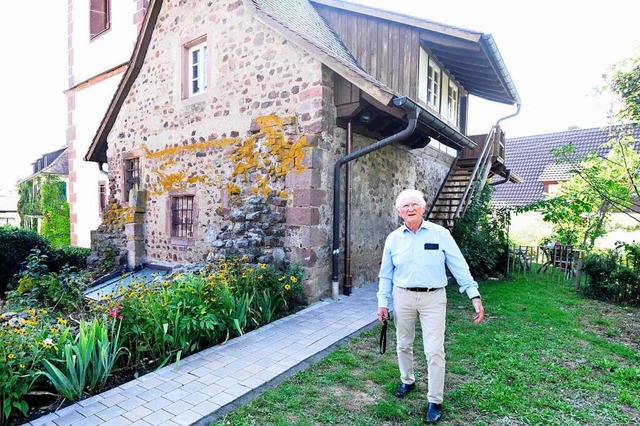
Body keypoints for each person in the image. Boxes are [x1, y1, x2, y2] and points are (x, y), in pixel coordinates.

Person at [377, 188, 484, 424]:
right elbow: (386, 274)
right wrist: (383, 302)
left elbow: (459, 264)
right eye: (405, 206)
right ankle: (407, 380)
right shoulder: (393, 239)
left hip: (434, 298)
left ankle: (435, 400)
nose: (410, 209)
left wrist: (473, 295)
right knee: (403, 343)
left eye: (415, 204)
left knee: (434, 349)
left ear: (423, 208)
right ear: (398, 212)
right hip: (402, 296)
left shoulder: (440, 234)